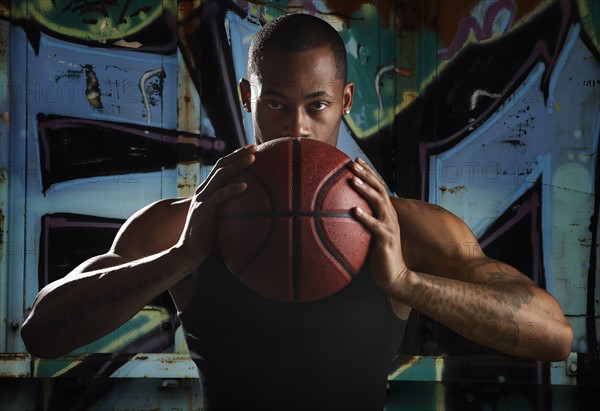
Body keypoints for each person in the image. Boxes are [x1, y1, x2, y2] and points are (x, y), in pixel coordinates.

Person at [22, 13, 573, 411]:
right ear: (246, 96)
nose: (297, 128)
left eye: (318, 106)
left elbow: (552, 336)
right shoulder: (182, 224)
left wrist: (407, 282)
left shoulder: (405, 228)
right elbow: (42, 333)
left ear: (347, 100)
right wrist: (183, 256)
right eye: (276, 105)